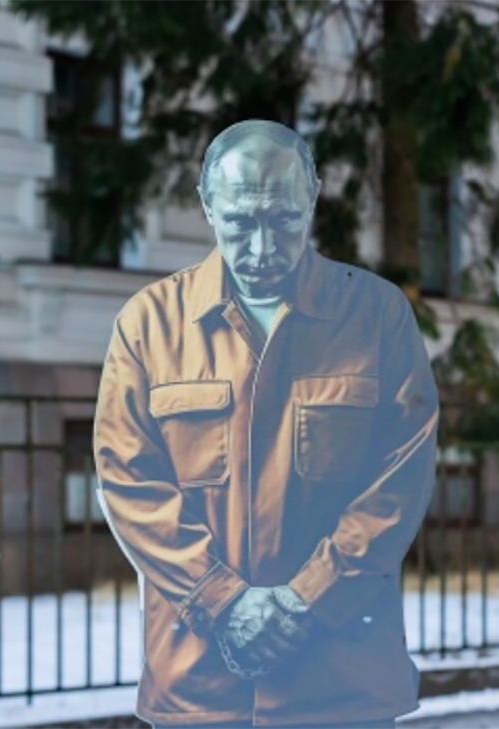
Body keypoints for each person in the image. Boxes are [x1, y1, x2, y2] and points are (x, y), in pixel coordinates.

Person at [93, 119, 440, 728]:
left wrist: (311, 596)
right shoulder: (148, 323)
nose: (261, 249)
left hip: (342, 684)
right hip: (198, 684)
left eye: (282, 220)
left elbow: (399, 481)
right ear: (207, 206)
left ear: (313, 199)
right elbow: (129, 482)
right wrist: (221, 599)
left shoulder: (377, 313)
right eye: (239, 222)